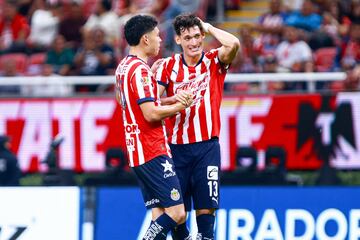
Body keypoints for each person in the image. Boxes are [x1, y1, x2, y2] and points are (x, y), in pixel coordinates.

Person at [154, 14, 240, 239]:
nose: (193, 42)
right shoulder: (168, 66)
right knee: (177, 216)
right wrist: (174, 100)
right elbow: (151, 103)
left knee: (206, 216)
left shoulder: (214, 61)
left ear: (202, 35)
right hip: (175, 150)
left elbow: (233, 44)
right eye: (187, 37)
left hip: (207, 148)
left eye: (197, 36)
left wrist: (209, 26)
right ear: (178, 40)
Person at [114, 14, 193, 239]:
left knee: (159, 215)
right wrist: (179, 106)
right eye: (157, 35)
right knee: (178, 213)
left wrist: (169, 99)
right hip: (151, 149)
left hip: (137, 151)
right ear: (145, 39)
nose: (160, 40)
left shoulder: (123, 68)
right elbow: (150, 114)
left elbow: (125, 101)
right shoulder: (140, 71)